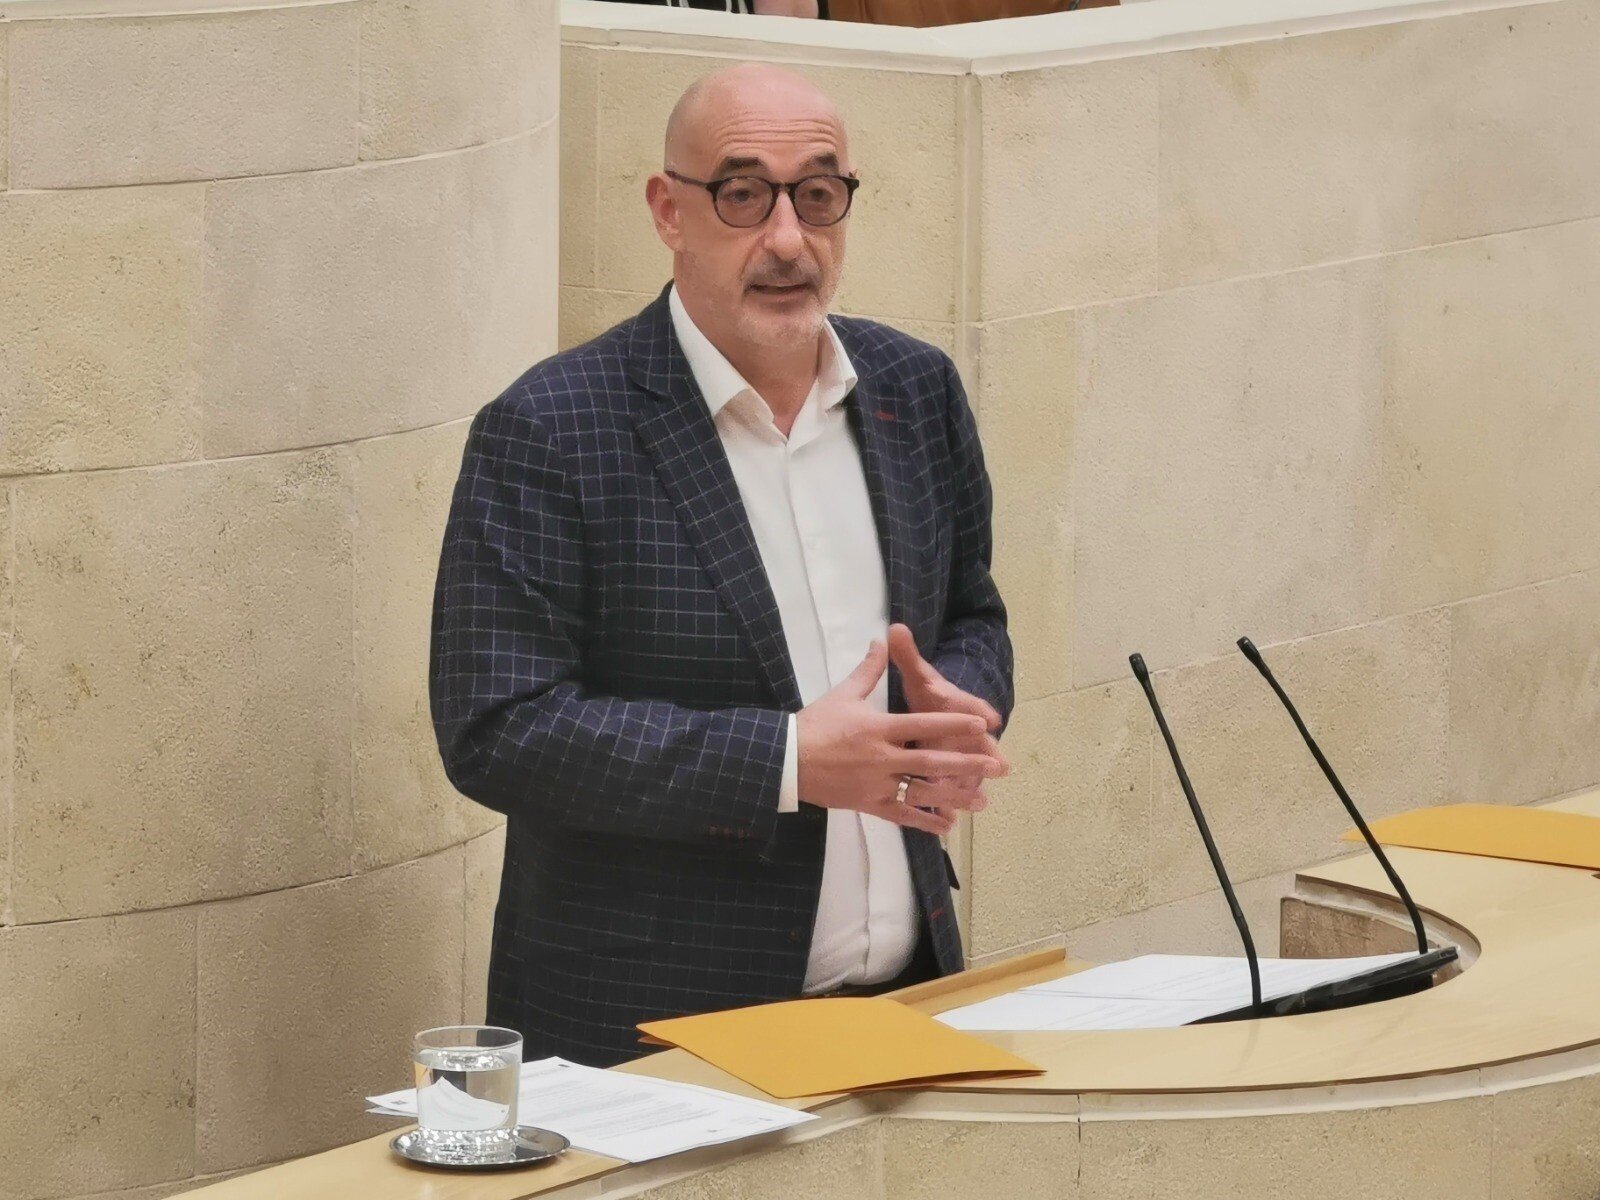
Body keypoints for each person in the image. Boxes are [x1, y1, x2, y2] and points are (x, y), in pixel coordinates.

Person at [430, 63, 1013, 1067]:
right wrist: (786, 762)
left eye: (817, 195)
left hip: (904, 1011)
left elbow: (973, 616)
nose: (787, 240)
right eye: (743, 195)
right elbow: (499, 727)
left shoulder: (914, 389)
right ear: (669, 210)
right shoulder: (552, 428)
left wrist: (956, 707)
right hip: (656, 1036)